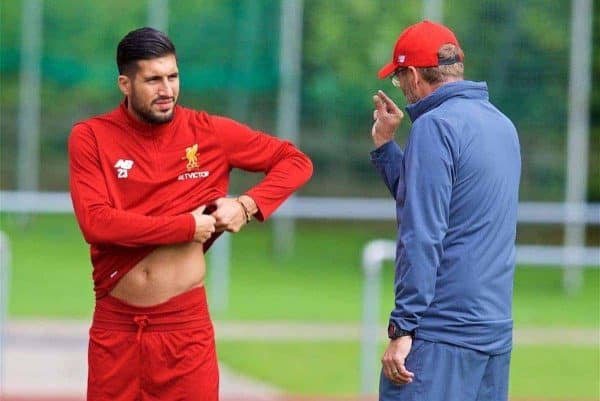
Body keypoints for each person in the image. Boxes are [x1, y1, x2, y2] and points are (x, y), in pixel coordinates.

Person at [68, 27, 312, 401]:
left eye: (173, 76)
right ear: (125, 84)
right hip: (116, 327)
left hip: (184, 330)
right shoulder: (90, 137)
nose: (166, 89)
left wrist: (246, 206)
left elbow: (294, 161)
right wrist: (185, 226)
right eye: (153, 80)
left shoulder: (209, 132)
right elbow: (96, 222)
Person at [369, 20, 521, 401]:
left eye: (399, 78)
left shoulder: (434, 127)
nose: (401, 89)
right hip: (493, 335)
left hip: (441, 336)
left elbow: (422, 232)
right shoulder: (503, 125)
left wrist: (402, 329)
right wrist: (386, 147)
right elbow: (441, 205)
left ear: (415, 75)